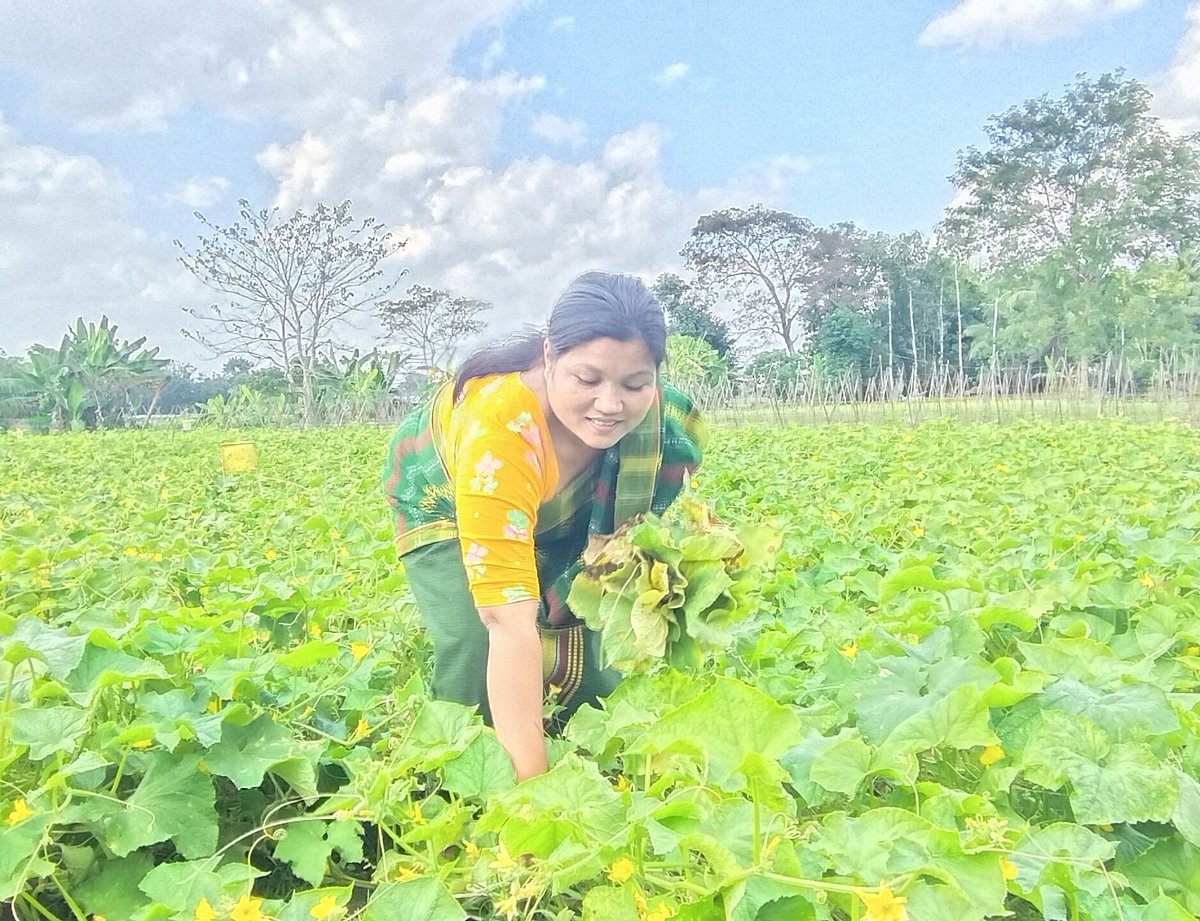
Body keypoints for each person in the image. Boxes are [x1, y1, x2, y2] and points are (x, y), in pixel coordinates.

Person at [381, 272, 706, 781]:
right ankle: (466, 779)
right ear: (551, 356)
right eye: (588, 379)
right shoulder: (500, 428)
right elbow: (504, 622)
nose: (610, 404)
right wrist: (532, 805)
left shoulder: (663, 426)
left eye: (635, 384)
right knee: (476, 639)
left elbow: (638, 538)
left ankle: (586, 758)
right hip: (445, 495)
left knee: (591, 621)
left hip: (558, 506)